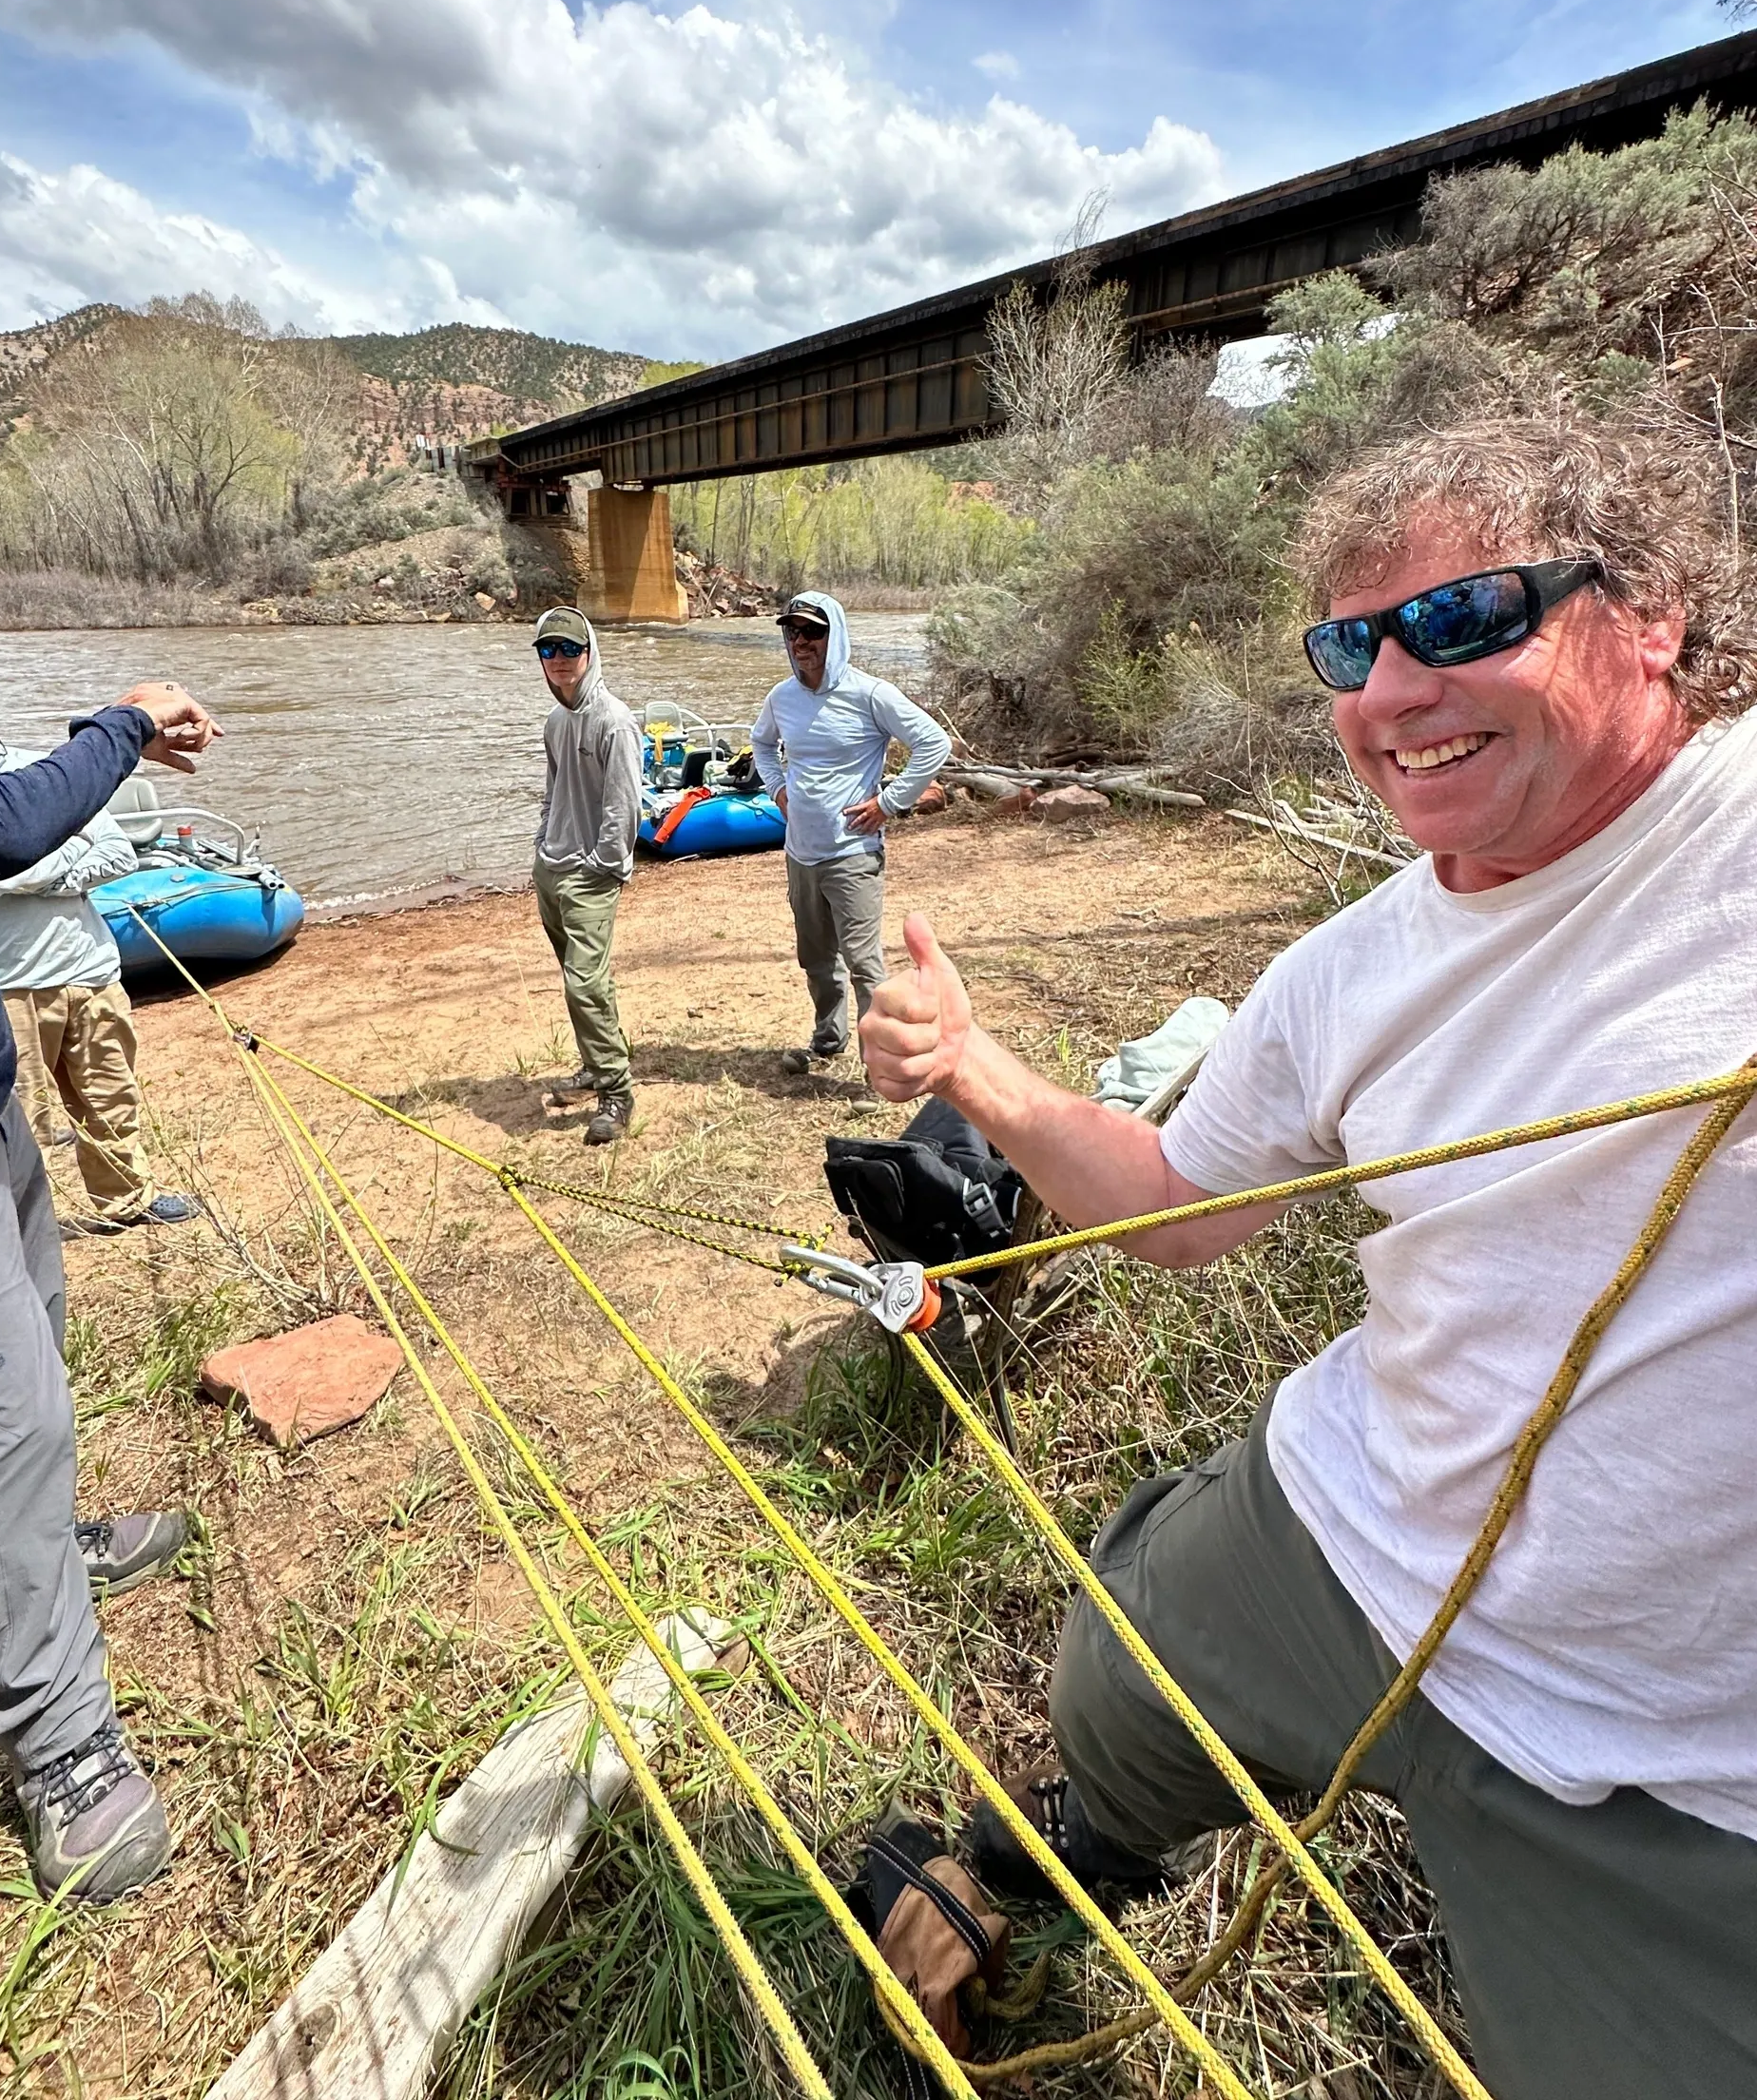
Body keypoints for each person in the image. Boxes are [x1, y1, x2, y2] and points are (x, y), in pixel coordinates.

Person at [860, 418, 1757, 2100]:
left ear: (1653, 617)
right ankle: (1075, 1850)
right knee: (1112, 1680)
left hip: (1681, 1758)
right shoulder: (1347, 972)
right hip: (1352, 1528)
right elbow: (1181, 1200)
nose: (1396, 687)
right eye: (1353, 646)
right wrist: (973, 1067)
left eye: (1470, 616)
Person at [0, 671, 221, 1902]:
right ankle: (62, 1755)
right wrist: (124, 726)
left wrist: (102, 748)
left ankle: (55, 1544)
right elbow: (8, 830)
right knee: (12, 1427)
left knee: (43, 1350)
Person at [0, 644, 201, 1232]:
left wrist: (34, 862)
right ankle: (18, 1227)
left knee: (112, 1098)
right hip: (0, 985)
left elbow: (114, 852)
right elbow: (1, 857)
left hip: (88, 967)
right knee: (15, 1122)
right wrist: (42, 847)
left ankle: (126, 1201)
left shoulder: (48, 771)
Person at [750, 591, 949, 1076]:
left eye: (813, 632)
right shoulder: (782, 697)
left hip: (852, 853)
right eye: (793, 631)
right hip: (800, 852)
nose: (801, 641)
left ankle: (878, 1063)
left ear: (834, 635)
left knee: (863, 962)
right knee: (815, 956)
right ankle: (828, 1035)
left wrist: (889, 802)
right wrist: (777, 788)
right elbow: (760, 742)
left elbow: (932, 743)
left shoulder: (870, 694)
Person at [531, 607, 643, 1146]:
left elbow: (624, 805)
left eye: (570, 649)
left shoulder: (614, 721)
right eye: (549, 650)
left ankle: (617, 1092)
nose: (560, 661)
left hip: (590, 875)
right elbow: (553, 791)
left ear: (590, 651)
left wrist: (605, 863)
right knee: (583, 983)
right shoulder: (556, 722)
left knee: (585, 983)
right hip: (550, 870)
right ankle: (596, 1064)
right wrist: (542, 844)